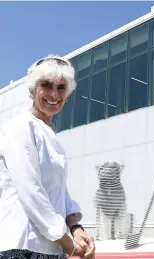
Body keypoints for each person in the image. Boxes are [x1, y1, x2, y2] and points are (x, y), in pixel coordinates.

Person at [0, 55, 96, 259]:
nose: (54, 94)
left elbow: (59, 190)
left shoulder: (48, 132)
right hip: (22, 247)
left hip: (51, 248)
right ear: (32, 89)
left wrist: (76, 228)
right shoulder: (20, 126)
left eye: (61, 87)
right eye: (46, 85)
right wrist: (68, 244)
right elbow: (30, 190)